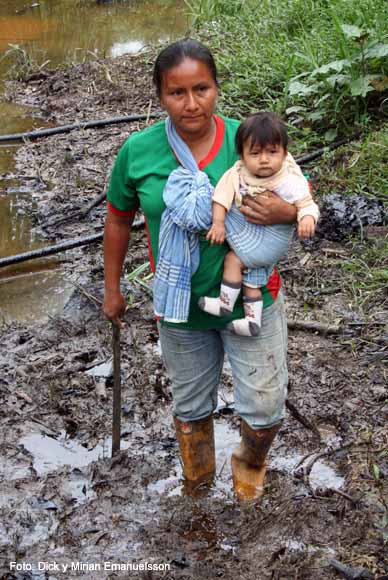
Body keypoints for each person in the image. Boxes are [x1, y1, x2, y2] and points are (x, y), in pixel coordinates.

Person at [103, 38, 297, 501]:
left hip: (252, 298)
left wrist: (285, 215)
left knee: (265, 408)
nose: (191, 104)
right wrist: (112, 288)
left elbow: (299, 201)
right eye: (177, 93)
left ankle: (248, 478)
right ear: (160, 95)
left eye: (202, 89)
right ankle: (198, 486)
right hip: (180, 307)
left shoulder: (248, 140)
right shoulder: (139, 152)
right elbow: (117, 219)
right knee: (190, 409)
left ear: (216, 88)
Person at [199, 111, 319, 337]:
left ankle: (225, 303)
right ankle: (252, 322)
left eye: (272, 152)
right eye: (255, 153)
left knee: (233, 260)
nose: (264, 160)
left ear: (285, 153)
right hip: (262, 249)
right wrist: (218, 223)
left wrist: (306, 218)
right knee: (252, 280)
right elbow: (221, 197)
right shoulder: (237, 174)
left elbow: (307, 203)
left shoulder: (288, 180)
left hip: (266, 244)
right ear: (242, 156)